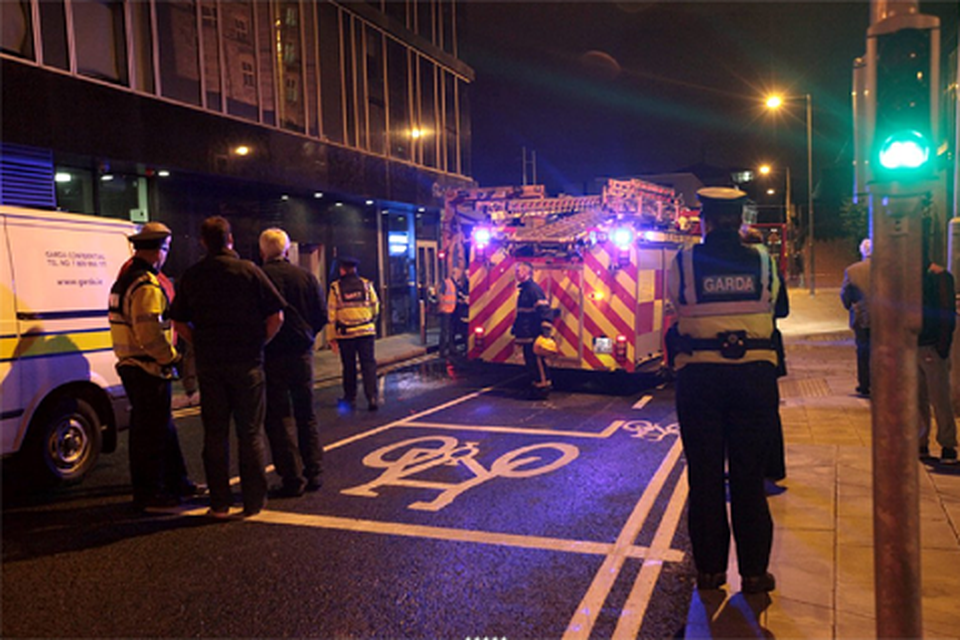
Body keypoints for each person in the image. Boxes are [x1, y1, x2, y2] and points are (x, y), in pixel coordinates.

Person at [667, 187, 788, 594]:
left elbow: (676, 305)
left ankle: (710, 572)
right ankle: (754, 574)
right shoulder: (762, 260)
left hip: (700, 379)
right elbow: (778, 307)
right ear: (739, 222)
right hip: (753, 378)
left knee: (704, 477)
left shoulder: (683, 262)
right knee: (749, 478)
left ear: (705, 220)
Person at [170, 216, 286, 518]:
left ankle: (219, 503)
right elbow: (277, 317)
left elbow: (179, 322)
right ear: (230, 239)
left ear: (203, 242)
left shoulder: (193, 275)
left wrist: (199, 342)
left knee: (214, 434)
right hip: (247, 364)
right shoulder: (249, 270)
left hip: (211, 365)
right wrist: (259, 343)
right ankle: (252, 502)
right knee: (249, 433)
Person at [108, 221, 201, 512]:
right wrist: (171, 358)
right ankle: (150, 495)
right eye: (166, 249)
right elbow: (149, 333)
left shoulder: (125, 279)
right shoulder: (145, 285)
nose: (167, 255)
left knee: (162, 429)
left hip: (134, 365)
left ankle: (177, 483)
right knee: (150, 436)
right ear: (158, 250)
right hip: (146, 367)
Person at [259, 228, 328, 496]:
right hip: (301, 355)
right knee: (306, 415)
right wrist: (308, 335)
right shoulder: (306, 277)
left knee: (277, 418)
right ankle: (315, 472)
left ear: (263, 251)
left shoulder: (258, 276)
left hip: (271, 354)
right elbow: (321, 314)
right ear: (286, 250)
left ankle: (291, 477)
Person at [917, 261, 958, 464]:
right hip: (917, 344)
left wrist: (942, 346)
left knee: (939, 398)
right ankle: (922, 442)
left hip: (931, 345)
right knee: (919, 399)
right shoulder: (914, 275)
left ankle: (947, 443)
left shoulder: (939, 276)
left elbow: (947, 313)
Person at [328, 256, 380, 411]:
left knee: (349, 366)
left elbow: (331, 314)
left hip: (346, 334)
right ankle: (372, 397)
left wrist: (331, 338)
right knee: (368, 365)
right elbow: (375, 306)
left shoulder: (335, 288)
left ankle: (350, 398)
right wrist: (369, 321)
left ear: (342, 270)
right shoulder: (366, 285)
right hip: (366, 332)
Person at [511, 261, 553, 400]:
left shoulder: (532, 289)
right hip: (527, 333)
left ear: (527, 272)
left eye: (519, 270)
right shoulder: (525, 289)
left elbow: (544, 310)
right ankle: (536, 385)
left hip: (533, 333)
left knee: (537, 362)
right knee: (531, 362)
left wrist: (545, 330)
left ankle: (543, 388)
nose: (517, 273)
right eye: (516, 270)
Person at [840, 238, 872, 397]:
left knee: (863, 351)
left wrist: (849, 306)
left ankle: (865, 384)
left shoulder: (852, 270)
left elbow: (845, 294)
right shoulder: (887, 268)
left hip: (861, 316)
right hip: (885, 317)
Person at [437, 268, 460, 357]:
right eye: (457, 274)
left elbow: (454, 296)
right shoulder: (447, 282)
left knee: (451, 331)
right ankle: (442, 351)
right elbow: (441, 295)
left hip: (452, 310)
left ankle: (451, 348)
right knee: (444, 331)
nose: (458, 276)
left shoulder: (454, 284)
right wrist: (442, 306)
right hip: (446, 310)